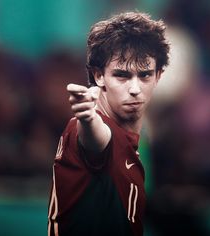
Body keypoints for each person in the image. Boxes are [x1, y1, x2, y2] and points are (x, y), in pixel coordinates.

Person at [48, 11, 169, 236]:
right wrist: (87, 117)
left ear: (159, 75)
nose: (135, 88)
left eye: (144, 75)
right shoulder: (84, 127)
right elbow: (97, 140)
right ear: (98, 76)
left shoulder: (137, 138)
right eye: (122, 75)